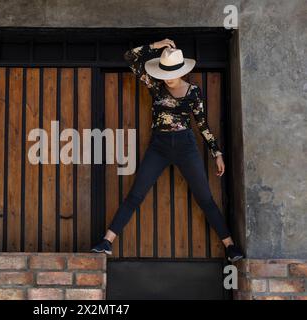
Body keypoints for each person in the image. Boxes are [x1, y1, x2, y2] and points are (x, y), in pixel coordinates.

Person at [91, 39, 244, 262]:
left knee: (205, 198)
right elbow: (130, 57)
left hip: (186, 146)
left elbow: (202, 124)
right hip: (159, 146)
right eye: (165, 74)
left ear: (182, 70)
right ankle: (107, 241)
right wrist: (158, 44)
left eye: (172, 74)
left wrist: (216, 152)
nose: (168, 79)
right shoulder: (155, 86)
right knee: (135, 194)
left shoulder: (193, 92)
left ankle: (230, 246)